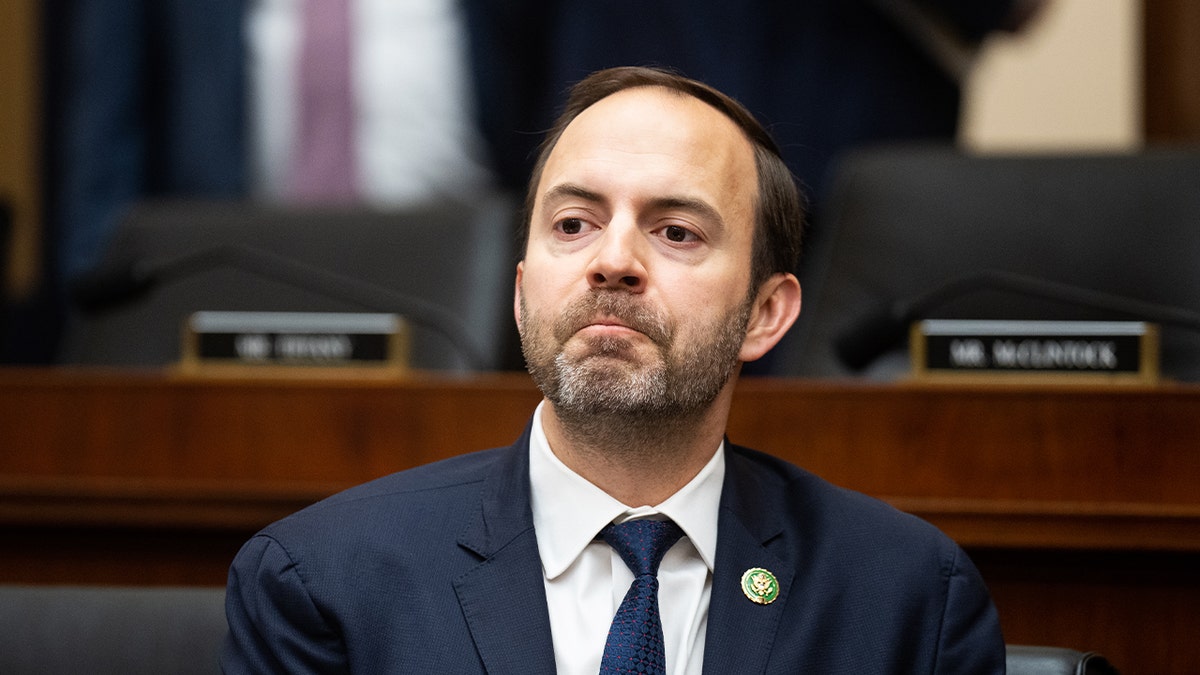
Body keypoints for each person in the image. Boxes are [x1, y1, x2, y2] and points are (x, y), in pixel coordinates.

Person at [221, 66, 1005, 673]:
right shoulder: (325, 583)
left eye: (676, 230)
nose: (613, 261)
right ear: (524, 294)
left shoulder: (908, 599)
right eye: (573, 223)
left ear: (766, 313)